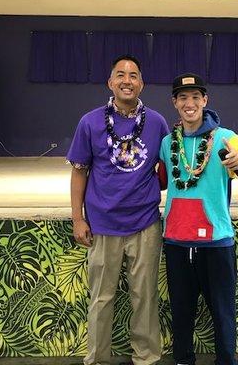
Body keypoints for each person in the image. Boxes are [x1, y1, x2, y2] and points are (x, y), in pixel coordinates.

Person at [67, 55, 169, 365]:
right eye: (120, 75)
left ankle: (147, 356)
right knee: (101, 298)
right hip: (102, 223)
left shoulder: (157, 122)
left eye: (134, 75)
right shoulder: (90, 121)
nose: (127, 80)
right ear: (110, 83)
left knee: (145, 296)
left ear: (142, 84)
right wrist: (77, 218)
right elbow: (79, 170)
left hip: (145, 223)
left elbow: (167, 170)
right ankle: (97, 358)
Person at [159, 73, 238, 365]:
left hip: (216, 239)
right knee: (181, 308)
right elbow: (163, 179)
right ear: (175, 103)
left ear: (205, 100)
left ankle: (226, 361)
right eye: (182, 97)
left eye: (195, 97)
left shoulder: (226, 137)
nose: (189, 103)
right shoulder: (168, 142)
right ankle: (182, 360)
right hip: (177, 239)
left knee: (223, 310)